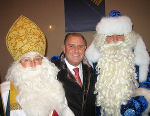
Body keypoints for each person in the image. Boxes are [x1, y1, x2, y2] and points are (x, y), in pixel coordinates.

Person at [0, 15, 74, 116]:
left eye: (37, 59)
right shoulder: (4, 92)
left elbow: (65, 111)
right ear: (18, 64)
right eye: (27, 60)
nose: (33, 64)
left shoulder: (54, 86)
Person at [85, 10, 150, 116]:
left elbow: (147, 85)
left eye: (119, 35)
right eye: (110, 36)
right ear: (104, 39)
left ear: (127, 37)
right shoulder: (94, 62)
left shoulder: (138, 60)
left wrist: (136, 105)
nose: (115, 39)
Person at [51, 33, 95, 116]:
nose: (76, 50)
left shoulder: (92, 71)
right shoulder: (52, 71)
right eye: (71, 46)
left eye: (80, 46)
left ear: (85, 48)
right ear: (64, 48)